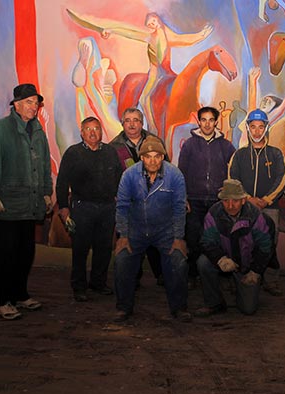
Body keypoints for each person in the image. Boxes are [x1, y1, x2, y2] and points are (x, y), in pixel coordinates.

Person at [0, 83, 52, 320]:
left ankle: (20, 294)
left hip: (30, 205)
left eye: (36, 103)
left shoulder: (38, 131)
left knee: (25, 253)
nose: (34, 107)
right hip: (8, 205)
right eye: (29, 102)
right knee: (7, 255)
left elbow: (44, 166)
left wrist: (47, 192)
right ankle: (3, 301)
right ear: (17, 105)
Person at [113, 137, 191, 322]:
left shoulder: (175, 175)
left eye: (157, 156)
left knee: (178, 262)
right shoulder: (129, 175)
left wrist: (178, 237)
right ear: (141, 158)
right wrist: (123, 235)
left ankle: (179, 308)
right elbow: (122, 206)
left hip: (165, 230)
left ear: (163, 157)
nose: (153, 161)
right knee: (122, 260)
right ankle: (123, 307)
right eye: (148, 157)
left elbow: (179, 208)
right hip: (136, 229)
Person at [56, 116, 122, 302]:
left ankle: (98, 283)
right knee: (80, 248)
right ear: (82, 133)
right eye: (89, 129)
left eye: (96, 129)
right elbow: (62, 182)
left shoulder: (110, 151)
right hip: (82, 207)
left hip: (108, 208)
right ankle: (79, 286)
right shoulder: (73, 153)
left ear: (101, 131)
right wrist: (63, 207)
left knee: (103, 248)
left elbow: (119, 177)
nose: (93, 133)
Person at [228, 109, 285, 296]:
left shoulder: (276, 154)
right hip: (244, 207)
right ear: (248, 128)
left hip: (270, 208)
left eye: (261, 127)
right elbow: (232, 178)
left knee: (269, 245)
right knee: (242, 243)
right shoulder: (239, 154)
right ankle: (241, 278)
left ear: (266, 128)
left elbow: (282, 178)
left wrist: (266, 200)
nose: (257, 131)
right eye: (253, 127)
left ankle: (270, 281)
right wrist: (246, 198)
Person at [195, 179, 273, 316]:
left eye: (235, 201)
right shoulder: (214, 213)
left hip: (247, 265)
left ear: (243, 200)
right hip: (225, 260)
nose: (230, 206)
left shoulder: (255, 215)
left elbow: (265, 246)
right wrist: (220, 259)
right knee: (203, 262)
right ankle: (214, 303)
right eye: (226, 201)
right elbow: (207, 241)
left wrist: (255, 271)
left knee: (248, 309)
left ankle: (240, 288)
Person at [178, 106, 236, 289]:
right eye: (204, 120)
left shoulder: (226, 145)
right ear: (199, 122)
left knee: (218, 239)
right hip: (194, 200)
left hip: (218, 202)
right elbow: (181, 173)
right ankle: (193, 275)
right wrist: (184, 197)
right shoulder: (189, 144)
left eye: (211, 120)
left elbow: (233, 172)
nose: (207, 124)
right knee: (194, 239)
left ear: (216, 122)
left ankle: (219, 276)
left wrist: (227, 195)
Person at [110, 107, 169, 285]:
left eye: (135, 120)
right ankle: (131, 278)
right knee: (129, 241)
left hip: (154, 199)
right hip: (128, 202)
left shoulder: (154, 141)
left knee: (156, 240)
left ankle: (162, 275)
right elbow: (111, 174)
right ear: (122, 124)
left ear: (141, 123)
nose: (132, 124)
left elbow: (165, 168)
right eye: (128, 120)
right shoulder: (113, 146)